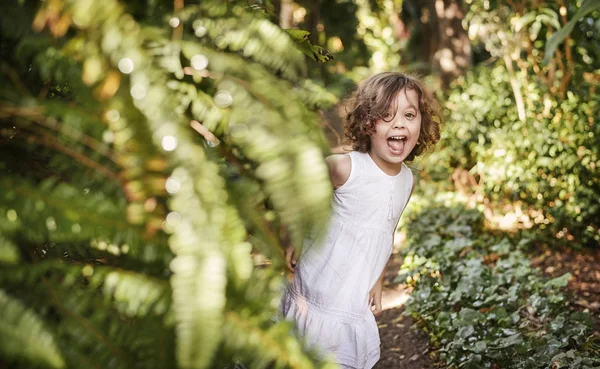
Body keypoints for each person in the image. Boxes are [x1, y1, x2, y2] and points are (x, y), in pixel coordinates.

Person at [281, 72, 441, 369]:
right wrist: (294, 234)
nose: (399, 124)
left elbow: (386, 233)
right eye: (386, 115)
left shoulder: (407, 181)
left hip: (353, 295)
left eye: (409, 114)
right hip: (319, 286)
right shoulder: (345, 167)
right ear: (368, 123)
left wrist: (378, 280)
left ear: (422, 122)